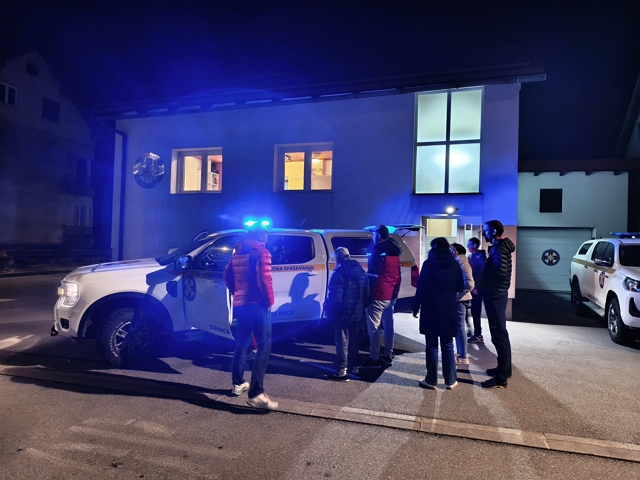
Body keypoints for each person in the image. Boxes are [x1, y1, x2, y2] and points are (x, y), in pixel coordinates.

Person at [223, 224, 278, 409]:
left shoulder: (237, 252)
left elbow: (226, 275)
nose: (268, 236)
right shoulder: (262, 252)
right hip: (256, 304)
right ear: (260, 235)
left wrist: (236, 292)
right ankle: (256, 393)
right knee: (264, 345)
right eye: (266, 233)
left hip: (241, 305)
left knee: (242, 343)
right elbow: (265, 280)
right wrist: (269, 301)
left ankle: (238, 383)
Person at [412, 237, 464, 390]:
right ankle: (451, 380)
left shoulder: (429, 264)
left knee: (431, 344)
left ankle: (431, 380)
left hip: (431, 307)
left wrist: (415, 306)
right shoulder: (454, 264)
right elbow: (460, 286)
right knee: (447, 344)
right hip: (448, 307)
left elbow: (421, 287)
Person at [478, 220, 515, 389]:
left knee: (498, 335)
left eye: (486, 230)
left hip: (495, 296)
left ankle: (501, 379)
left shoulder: (499, 248)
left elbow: (500, 272)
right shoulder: (499, 248)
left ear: (493, 231)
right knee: (501, 334)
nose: (484, 233)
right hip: (496, 295)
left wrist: (485, 286)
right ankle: (504, 369)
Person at [324, 247, 370, 381]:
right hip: (357, 312)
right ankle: (355, 368)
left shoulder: (338, 274)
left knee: (342, 342)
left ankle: (342, 371)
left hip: (341, 313)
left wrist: (328, 309)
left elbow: (335, 298)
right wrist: (362, 307)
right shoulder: (361, 271)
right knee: (354, 341)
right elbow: (367, 293)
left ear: (337, 258)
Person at [364, 224, 402, 368]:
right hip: (391, 294)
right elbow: (397, 275)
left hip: (378, 294)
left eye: (374, 234)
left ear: (379, 236)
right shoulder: (395, 251)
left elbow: (373, 275)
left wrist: (368, 293)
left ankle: (374, 357)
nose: (373, 236)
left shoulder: (377, 251)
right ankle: (388, 355)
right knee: (389, 326)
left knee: (373, 327)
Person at [450, 243, 474, 366]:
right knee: (458, 327)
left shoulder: (463, 263)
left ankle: (463, 356)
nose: (449, 252)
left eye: (451, 249)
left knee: (460, 328)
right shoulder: (458, 262)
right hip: (459, 299)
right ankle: (460, 353)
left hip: (461, 300)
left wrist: (458, 294)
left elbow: (470, 284)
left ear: (456, 251)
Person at [467, 237, 487, 344]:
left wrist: (475, 287)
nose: (467, 246)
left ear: (475, 245)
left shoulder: (478, 257)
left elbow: (479, 274)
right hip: (476, 288)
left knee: (476, 311)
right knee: (474, 311)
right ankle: (476, 333)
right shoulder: (476, 256)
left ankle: (478, 334)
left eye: (469, 244)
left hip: (477, 289)